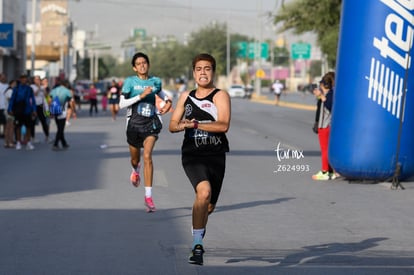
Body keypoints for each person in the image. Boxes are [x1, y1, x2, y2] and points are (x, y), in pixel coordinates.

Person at [169, 53, 231, 265]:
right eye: (199, 69)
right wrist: (183, 125)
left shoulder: (220, 95)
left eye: (207, 68)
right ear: (193, 72)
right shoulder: (186, 96)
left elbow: (223, 125)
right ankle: (197, 245)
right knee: (203, 192)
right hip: (192, 155)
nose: (203, 72)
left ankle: (198, 228)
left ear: (213, 72)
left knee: (208, 205)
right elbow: (172, 125)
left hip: (215, 156)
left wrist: (195, 124)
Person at [119, 52, 172, 212]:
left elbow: (163, 95)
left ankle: (148, 197)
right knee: (135, 160)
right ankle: (135, 170)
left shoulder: (155, 81)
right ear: (134, 68)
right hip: (134, 125)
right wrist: (140, 96)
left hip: (151, 124)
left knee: (148, 155)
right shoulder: (130, 82)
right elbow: (122, 104)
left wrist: (168, 103)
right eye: (139, 63)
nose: (142, 65)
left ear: (148, 65)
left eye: (144, 62)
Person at [312, 72, 335, 180]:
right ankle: (330, 171)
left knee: (325, 149)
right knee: (327, 149)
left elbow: (330, 107)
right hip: (323, 125)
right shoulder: (327, 95)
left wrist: (321, 96)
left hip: (326, 126)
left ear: (324, 85)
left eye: (320, 85)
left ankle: (325, 172)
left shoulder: (329, 96)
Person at [7, 74, 37, 150]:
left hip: (27, 110)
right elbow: (12, 100)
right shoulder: (16, 89)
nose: (24, 80)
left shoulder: (29, 89)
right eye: (22, 78)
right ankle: (18, 142)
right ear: (20, 79)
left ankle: (28, 142)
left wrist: (34, 109)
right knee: (18, 127)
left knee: (29, 127)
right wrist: (10, 109)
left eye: (25, 78)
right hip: (18, 110)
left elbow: (33, 100)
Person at [49, 79, 73, 150]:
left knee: (59, 127)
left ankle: (64, 143)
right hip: (62, 111)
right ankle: (55, 144)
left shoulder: (54, 90)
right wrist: (72, 110)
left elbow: (49, 100)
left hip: (55, 110)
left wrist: (51, 109)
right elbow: (70, 100)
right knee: (60, 129)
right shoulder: (67, 91)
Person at [30, 75, 50, 143]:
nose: (38, 81)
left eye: (39, 79)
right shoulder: (32, 87)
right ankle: (33, 137)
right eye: (36, 79)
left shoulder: (42, 87)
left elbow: (46, 95)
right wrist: (39, 87)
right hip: (34, 106)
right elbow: (34, 94)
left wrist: (44, 88)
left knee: (44, 121)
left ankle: (47, 136)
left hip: (41, 106)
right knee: (32, 122)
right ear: (33, 80)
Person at [3, 79, 17, 148]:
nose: (15, 85)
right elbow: (10, 100)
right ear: (11, 84)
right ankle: (10, 142)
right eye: (14, 84)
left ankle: (7, 142)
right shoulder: (10, 91)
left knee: (8, 127)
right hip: (10, 111)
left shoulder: (8, 91)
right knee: (11, 127)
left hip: (7, 111)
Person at [0, 73, 8, 138]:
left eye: (4, 77)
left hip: (5, 107)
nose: (4, 78)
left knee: (5, 121)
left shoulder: (8, 86)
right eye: (2, 77)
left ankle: (5, 133)